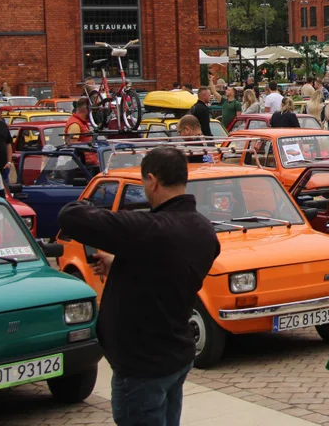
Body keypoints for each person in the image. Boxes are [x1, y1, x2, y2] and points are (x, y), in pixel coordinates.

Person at [57, 147, 220, 426]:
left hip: (142, 363)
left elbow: (70, 217)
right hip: (174, 352)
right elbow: (167, 270)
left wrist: (89, 203)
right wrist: (121, 262)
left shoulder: (148, 229)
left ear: (152, 181)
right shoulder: (204, 230)